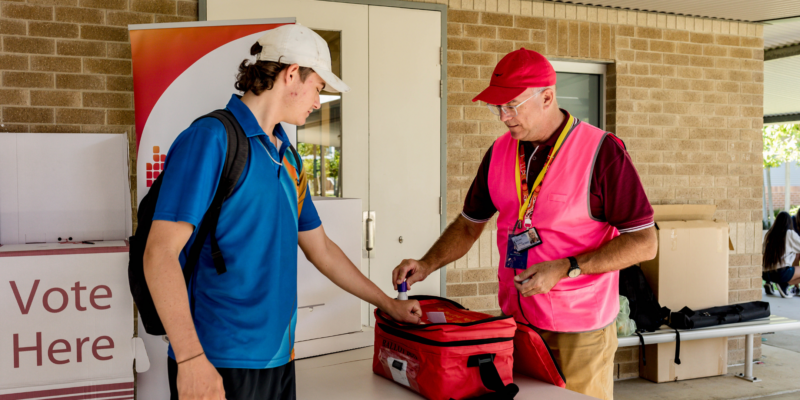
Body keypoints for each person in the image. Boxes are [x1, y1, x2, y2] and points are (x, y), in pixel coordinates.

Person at [143, 24, 422, 400]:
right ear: (292, 74)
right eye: (318, 88)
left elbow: (320, 248)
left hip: (280, 357)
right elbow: (159, 253)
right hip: (219, 359)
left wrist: (388, 304)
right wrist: (191, 359)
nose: (317, 102)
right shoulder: (211, 139)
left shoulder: (288, 156)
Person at [392, 48, 658, 400]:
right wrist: (427, 263)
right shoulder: (500, 151)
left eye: (511, 106)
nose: (503, 117)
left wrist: (567, 267)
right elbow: (470, 224)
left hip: (580, 330)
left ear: (547, 97)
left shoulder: (602, 151)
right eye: (496, 108)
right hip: (516, 322)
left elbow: (644, 242)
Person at [763, 211, 800, 298]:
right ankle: (785, 284)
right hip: (780, 273)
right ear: (789, 222)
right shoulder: (790, 234)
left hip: (764, 273)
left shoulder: (769, 234)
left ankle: (769, 283)